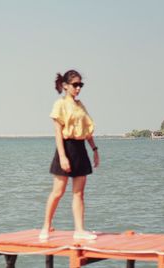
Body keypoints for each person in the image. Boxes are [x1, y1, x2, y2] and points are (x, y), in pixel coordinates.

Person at [39, 70, 100, 241]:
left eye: (80, 85)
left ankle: (79, 230)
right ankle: (46, 226)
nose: (78, 88)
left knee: (79, 193)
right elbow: (58, 133)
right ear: (65, 85)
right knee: (58, 191)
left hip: (81, 148)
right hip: (66, 147)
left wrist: (95, 150)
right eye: (75, 85)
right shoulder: (60, 104)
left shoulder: (80, 106)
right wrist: (63, 156)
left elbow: (87, 131)